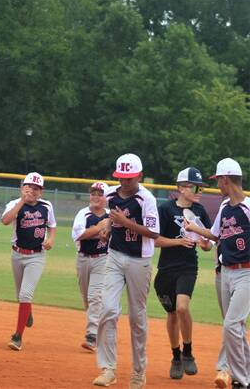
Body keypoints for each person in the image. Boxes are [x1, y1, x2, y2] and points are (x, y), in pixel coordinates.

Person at [93, 153, 159, 389]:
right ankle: (108, 368)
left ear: (139, 176)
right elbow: (112, 217)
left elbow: (153, 233)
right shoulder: (111, 194)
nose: (124, 182)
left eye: (129, 178)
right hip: (115, 255)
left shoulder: (146, 199)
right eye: (121, 177)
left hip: (140, 260)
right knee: (107, 309)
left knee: (136, 318)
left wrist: (124, 221)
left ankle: (138, 371)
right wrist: (109, 227)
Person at [185, 158, 250, 389]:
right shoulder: (224, 207)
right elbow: (215, 236)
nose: (217, 184)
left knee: (232, 325)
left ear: (225, 179)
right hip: (225, 272)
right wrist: (194, 228)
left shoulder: (248, 207)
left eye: (218, 180)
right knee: (236, 327)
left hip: (247, 273)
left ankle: (241, 381)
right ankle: (247, 372)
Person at [153, 167, 212, 380]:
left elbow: (208, 244)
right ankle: (175, 357)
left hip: (188, 266)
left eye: (200, 187)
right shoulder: (166, 209)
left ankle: (188, 352)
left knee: (182, 307)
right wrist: (179, 241)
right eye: (194, 186)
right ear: (181, 187)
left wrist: (204, 242)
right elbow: (155, 240)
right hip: (166, 269)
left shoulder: (200, 211)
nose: (199, 190)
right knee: (171, 314)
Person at [1, 172, 56, 351]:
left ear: (41, 191)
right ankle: (27, 311)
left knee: (25, 295)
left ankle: (17, 336)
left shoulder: (46, 206)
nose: (32, 190)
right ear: (22, 187)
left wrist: (51, 239)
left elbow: (52, 226)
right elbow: (5, 221)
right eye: (29, 186)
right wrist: (22, 201)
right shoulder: (15, 204)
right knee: (21, 296)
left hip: (36, 256)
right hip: (17, 254)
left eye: (36, 188)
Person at [71, 181, 110, 353]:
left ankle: (91, 335)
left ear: (106, 197)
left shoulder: (111, 215)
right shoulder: (83, 214)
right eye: (93, 193)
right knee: (88, 299)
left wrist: (105, 235)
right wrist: (98, 228)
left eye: (99, 194)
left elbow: (114, 238)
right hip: (83, 259)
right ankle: (98, 329)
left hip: (103, 259)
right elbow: (78, 235)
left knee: (96, 296)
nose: (95, 197)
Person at [214, 241, 231, 389]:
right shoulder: (223, 216)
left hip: (244, 273)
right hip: (222, 273)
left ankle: (224, 369)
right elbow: (215, 236)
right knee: (230, 322)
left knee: (232, 323)